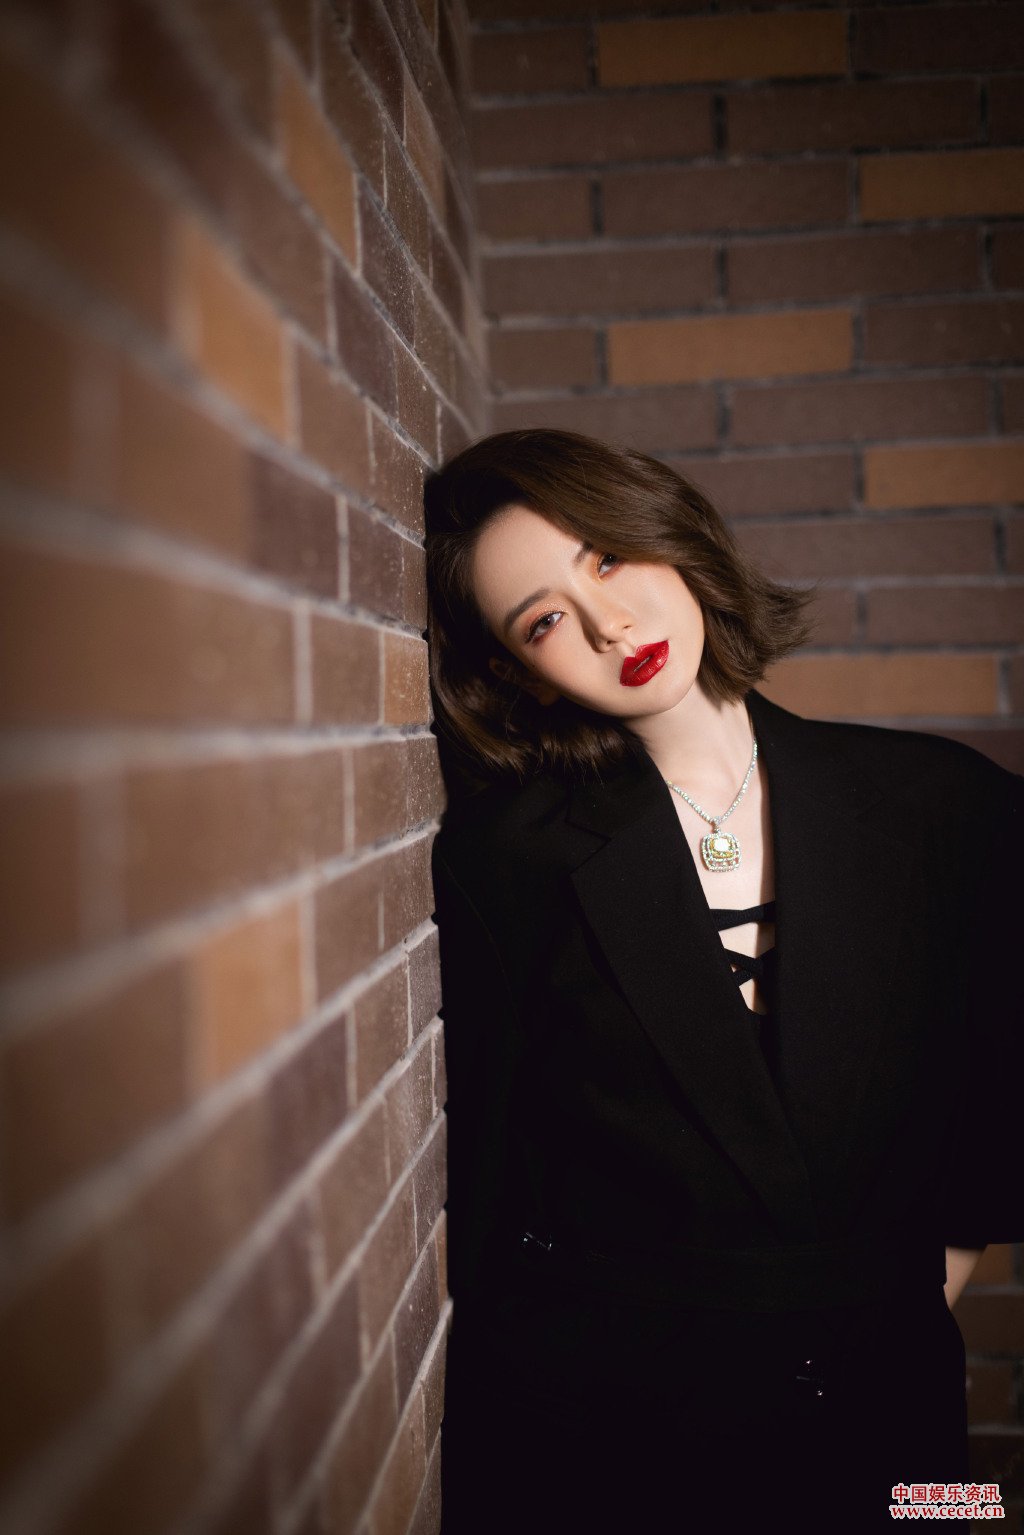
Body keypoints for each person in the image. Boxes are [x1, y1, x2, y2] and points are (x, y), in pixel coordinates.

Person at [423, 430, 1023, 1534]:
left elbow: (1004, 1092)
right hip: (620, 1445)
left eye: (608, 556)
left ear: (672, 534)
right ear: (517, 671)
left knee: (962, 1517)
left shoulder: (947, 802)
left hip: (900, 1426)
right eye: (544, 620)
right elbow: (496, 1184)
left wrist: (915, 1283)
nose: (608, 625)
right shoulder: (503, 860)